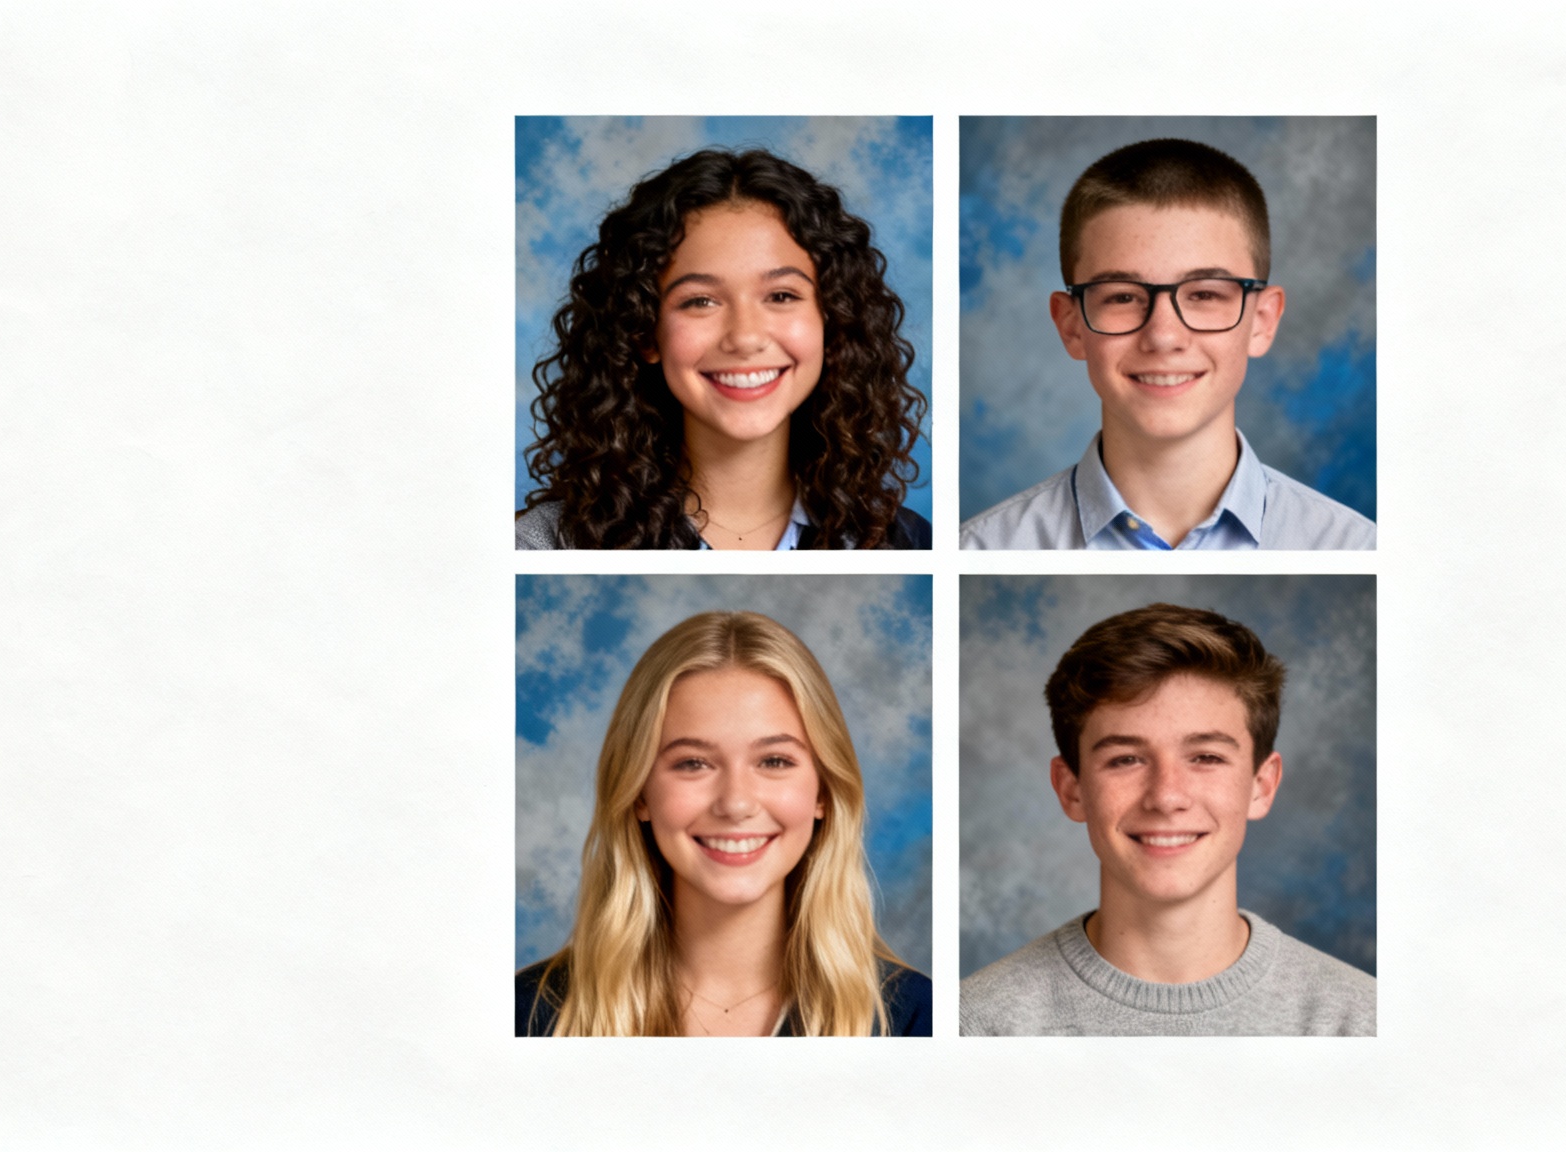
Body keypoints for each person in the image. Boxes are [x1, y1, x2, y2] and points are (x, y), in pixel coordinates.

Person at [959, 603, 1374, 1036]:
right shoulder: (976, 1025)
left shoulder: (1361, 1023)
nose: (1166, 796)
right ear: (1072, 789)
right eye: (1126, 759)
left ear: (1262, 786)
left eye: (1206, 757)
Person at [516, 611, 930, 1036]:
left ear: (822, 792)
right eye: (693, 763)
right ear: (639, 792)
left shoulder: (915, 1019)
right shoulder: (527, 1015)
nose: (735, 803)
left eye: (774, 761)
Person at [959, 138, 1375, 550]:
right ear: (1071, 326)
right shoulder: (981, 546)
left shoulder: (1353, 545)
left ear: (1262, 322)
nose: (1163, 336)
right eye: (1122, 296)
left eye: (1205, 294)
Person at [517, 148, 930, 550]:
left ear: (832, 320)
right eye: (700, 301)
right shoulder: (548, 545)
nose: (745, 338)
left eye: (782, 296)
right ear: (644, 332)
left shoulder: (905, 542)